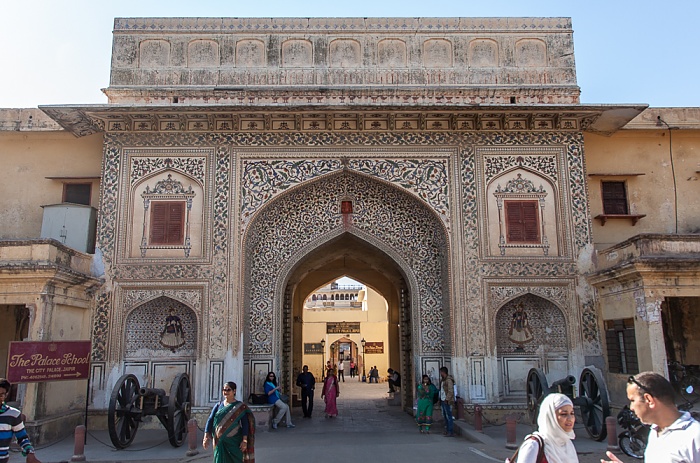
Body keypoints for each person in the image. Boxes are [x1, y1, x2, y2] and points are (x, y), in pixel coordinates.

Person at [601, 372, 700, 463]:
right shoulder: (654, 431)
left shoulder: (694, 437)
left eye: (632, 400)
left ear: (649, 400)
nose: (631, 407)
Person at [510, 393, 578, 463]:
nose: (570, 419)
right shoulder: (533, 445)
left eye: (572, 413)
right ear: (550, 416)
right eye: (563, 414)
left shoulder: (568, 444)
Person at [203, 381, 255, 463]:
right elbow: (210, 419)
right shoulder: (218, 405)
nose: (225, 392)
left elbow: (245, 424)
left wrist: (244, 440)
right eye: (224, 390)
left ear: (234, 391)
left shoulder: (239, 407)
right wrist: (206, 437)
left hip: (234, 442)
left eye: (228, 390)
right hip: (220, 441)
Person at [0, 378, 40, 463]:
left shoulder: (13, 414)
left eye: (1, 394)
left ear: (6, 395)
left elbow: (22, 438)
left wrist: (30, 453)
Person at [439, 366, 456, 437]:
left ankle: (450, 431)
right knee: (445, 415)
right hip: (443, 399)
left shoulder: (448, 380)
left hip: (446, 400)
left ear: (443, 372)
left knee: (448, 416)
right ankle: (447, 430)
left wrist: (447, 399)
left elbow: (450, 391)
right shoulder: (443, 380)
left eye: (441, 372)